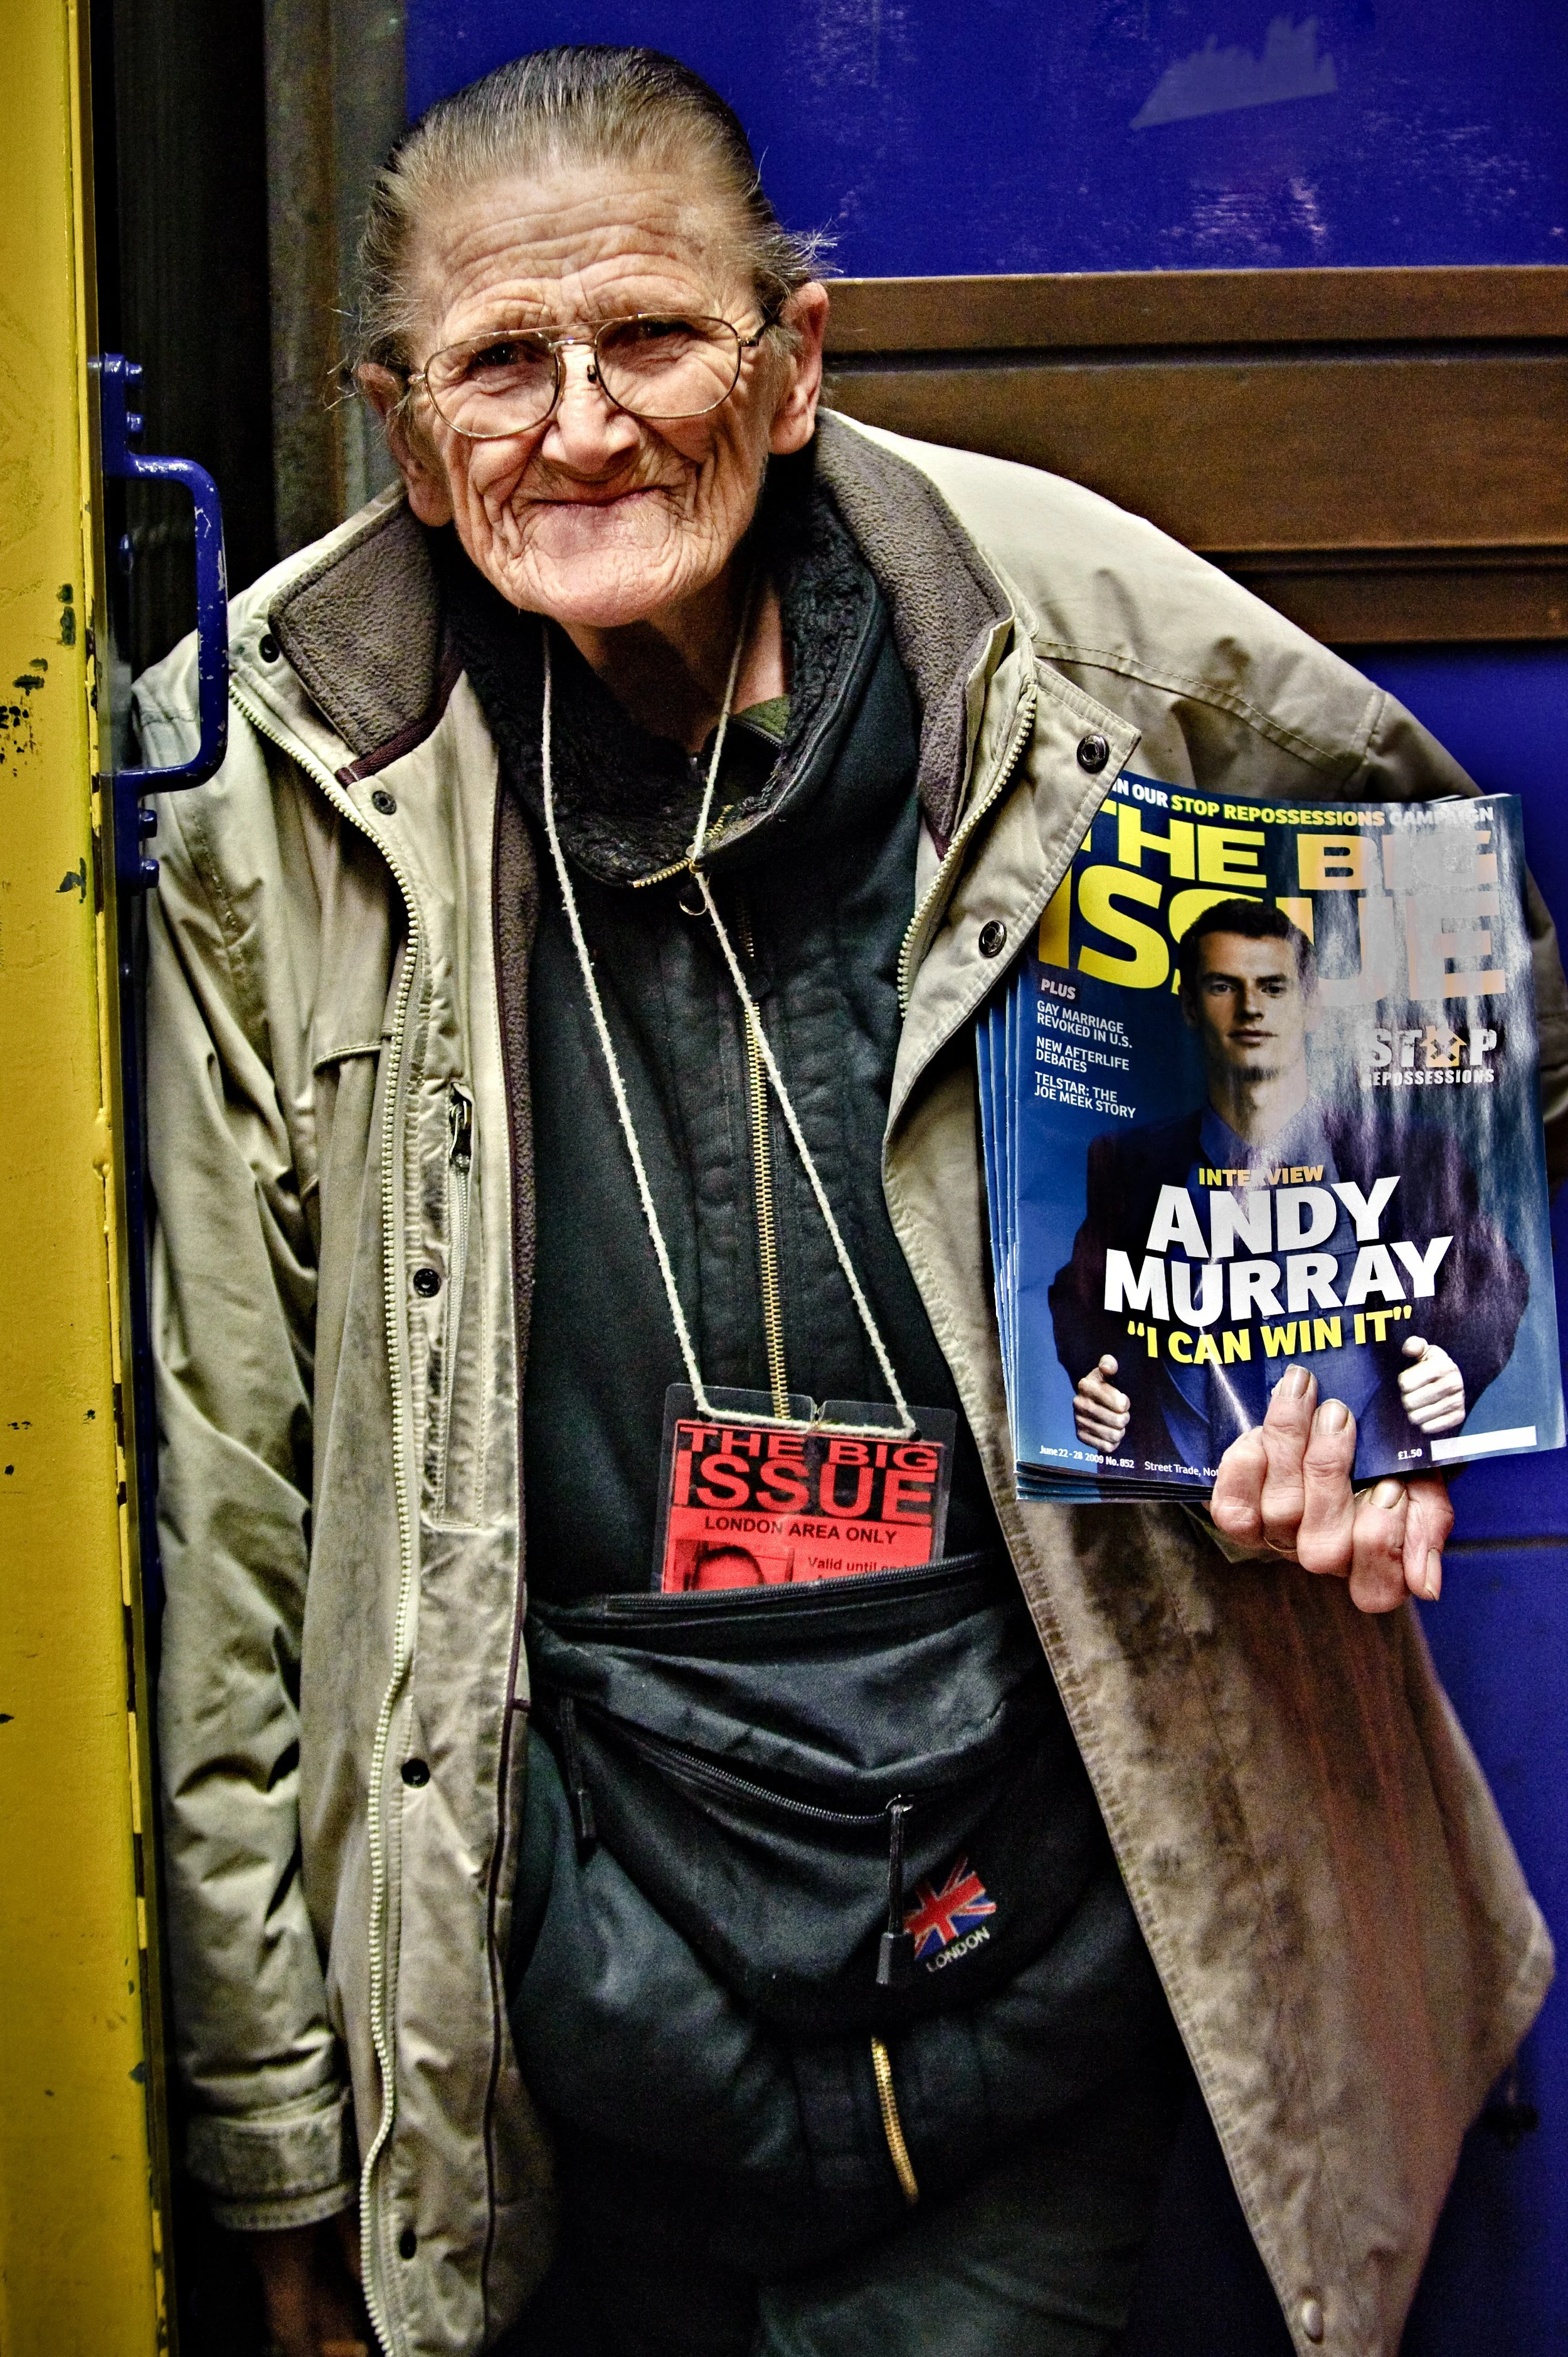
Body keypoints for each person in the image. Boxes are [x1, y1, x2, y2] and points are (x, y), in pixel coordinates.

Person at [137, 45, 1562, 2357]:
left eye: (655, 338)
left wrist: (1344, 1357)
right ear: (406, 428)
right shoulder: (273, 775)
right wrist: (281, 2128)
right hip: (552, 1963)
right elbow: (226, 1491)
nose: (583, 423)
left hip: (1036, 1900)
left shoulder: (1070, 629)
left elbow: (1453, 970)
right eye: (504, 361)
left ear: (792, 361)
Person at [1054, 898, 1529, 1475]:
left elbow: (1496, 1279)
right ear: (1189, 1006)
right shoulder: (1128, 1161)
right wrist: (1095, 1379)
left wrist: (1458, 1364)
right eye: (1224, 986)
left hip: (1371, 1485)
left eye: (1274, 987)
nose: (1251, 1008)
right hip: (1177, 1503)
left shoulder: (1415, 1154)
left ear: (1310, 1007)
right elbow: (1080, 1294)